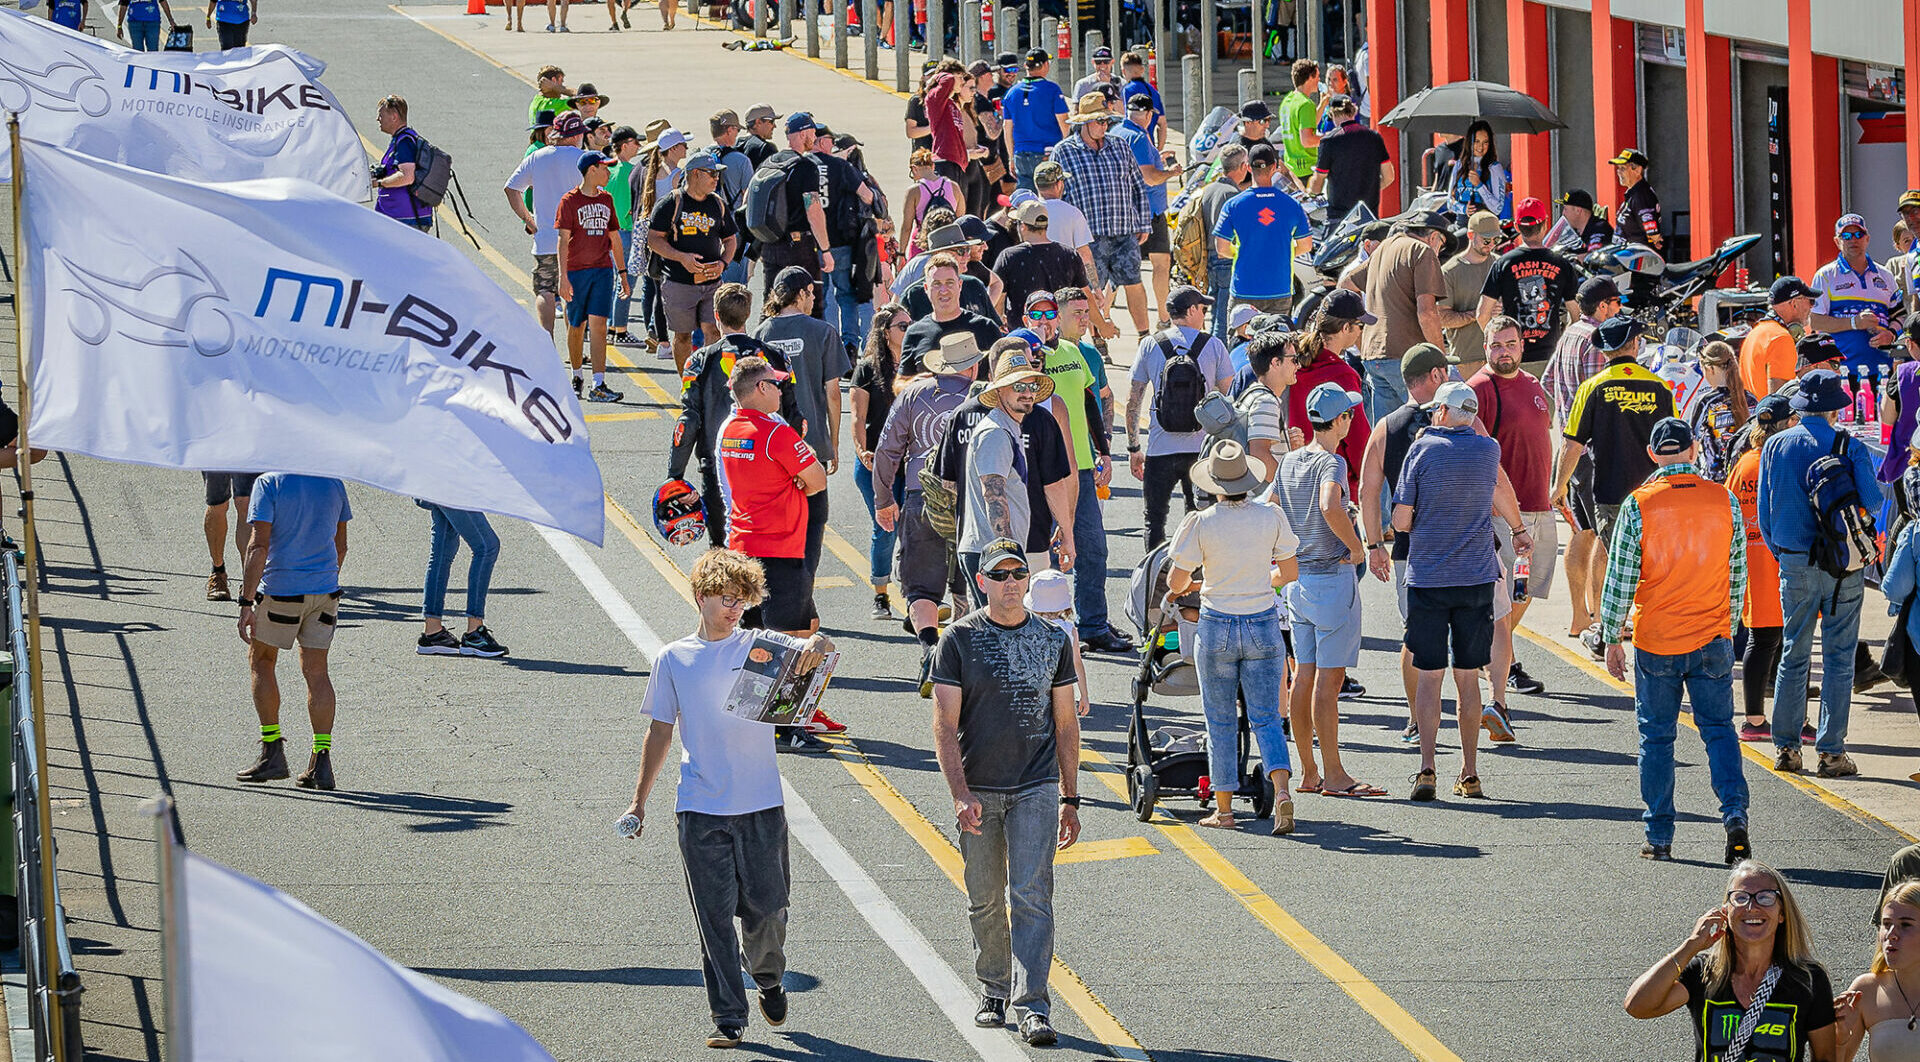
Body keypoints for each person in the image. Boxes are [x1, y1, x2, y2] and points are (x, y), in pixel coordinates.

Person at [623, 548, 834, 1050]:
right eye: (725, 598)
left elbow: (816, 647)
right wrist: (639, 801)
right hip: (700, 808)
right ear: (700, 597)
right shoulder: (674, 658)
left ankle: (768, 977)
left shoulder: (761, 645)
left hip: (760, 804)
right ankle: (728, 1017)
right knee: (713, 918)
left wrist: (820, 642)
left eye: (742, 600)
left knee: (767, 909)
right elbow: (659, 731)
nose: (734, 608)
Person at [931, 536, 1079, 1047]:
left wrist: (1071, 797)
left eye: (1018, 574)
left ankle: (1032, 1004)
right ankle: (993, 988)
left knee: (1032, 897)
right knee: (985, 897)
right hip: (978, 789)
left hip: (1036, 787)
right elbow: (945, 726)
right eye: (1000, 575)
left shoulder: (1053, 640)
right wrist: (959, 792)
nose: (1011, 583)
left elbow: (1065, 725)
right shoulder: (958, 640)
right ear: (982, 582)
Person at [1596, 418, 1749, 861]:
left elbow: (1620, 580)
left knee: (1656, 738)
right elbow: (1735, 570)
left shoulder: (1640, 504)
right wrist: (1730, 625)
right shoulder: (1722, 500)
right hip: (1711, 635)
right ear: (1694, 448)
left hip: (1658, 639)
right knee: (1719, 731)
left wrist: (1611, 635)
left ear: (1651, 454)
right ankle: (1734, 816)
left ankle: (1659, 836)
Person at [1394, 382, 1523, 800]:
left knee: (1430, 678)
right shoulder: (1488, 451)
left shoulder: (1422, 450)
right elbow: (1496, 490)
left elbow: (1400, 520)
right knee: (1468, 680)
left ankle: (1427, 768)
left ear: (1445, 412)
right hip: (1476, 578)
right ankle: (1469, 773)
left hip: (1429, 577)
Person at [1166, 442, 1300, 833]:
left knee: (1220, 719)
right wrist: (1263, 580)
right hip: (1261, 621)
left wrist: (1196, 581)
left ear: (1215, 484)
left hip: (1217, 622)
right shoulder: (1270, 515)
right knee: (1267, 717)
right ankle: (1283, 792)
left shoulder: (1201, 522)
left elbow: (1176, 581)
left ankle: (1223, 811)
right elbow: (1288, 573)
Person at [1757, 368, 1876, 779]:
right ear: (1834, 408)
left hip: (1794, 561)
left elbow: (1764, 514)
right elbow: (1875, 502)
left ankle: (1787, 748)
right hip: (1842, 565)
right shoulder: (1850, 445)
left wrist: (1783, 553)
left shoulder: (1775, 445)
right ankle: (1831, 752)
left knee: (1793, 653)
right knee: (1840, 659)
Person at [717, 358, 832, 757]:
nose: (782, 391)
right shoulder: (774, 433)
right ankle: (788, 726)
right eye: (776, 384)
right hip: (782, 549)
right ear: (761, 389)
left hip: (744, 548)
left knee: (751, 639)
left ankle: (746, 716)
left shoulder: (730, 429)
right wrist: (797, 477)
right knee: (793, 642)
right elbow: (816, 480)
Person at [1269, 383, 1378, 796]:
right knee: (1328, 682)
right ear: (1341, 420)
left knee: (1304, 677)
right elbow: (1330, 505)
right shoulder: (1330, 463)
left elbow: (1272, 504)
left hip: (1298, 582)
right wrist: (1356, 547)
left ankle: (1309, 771)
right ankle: (1334, 775)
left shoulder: (1291, 460)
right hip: (1331, 579)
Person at [1624, 860, 1837, 1062]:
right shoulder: (1704, 972)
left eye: (1765, 897)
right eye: (1741, 897)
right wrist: (1692, 945)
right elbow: (1637, 1006)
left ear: (1782, 913)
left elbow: (1825, 1057)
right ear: (1725, 911)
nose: (1752, 907)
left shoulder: (1808, 979)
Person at [1552, 316, 1675, 657]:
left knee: (1615, 562)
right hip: (1655, 495)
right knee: (1655, 565)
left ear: (1604, 351)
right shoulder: (1660, 387)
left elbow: (1572, 444)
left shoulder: (1592, 388)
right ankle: (1655, 628)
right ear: (1636, 346)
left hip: (1609, 493)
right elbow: (1675, 444)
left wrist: (1558, 486)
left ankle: (1608, 633)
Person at [875, 333, 988, 694]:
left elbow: (887, 449)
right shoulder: (984, 397)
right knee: (969, 581)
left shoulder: (913, 395)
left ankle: (929, 647)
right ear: (972, 365)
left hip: (922, 493)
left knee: (921, 583)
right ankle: (960, 660)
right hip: (974, 497)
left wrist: (882, 499)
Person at [234, 473, 351, 792]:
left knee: (261, 661)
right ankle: (321, 760)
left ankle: (273, 751)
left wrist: (246, 601)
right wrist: (322, 578)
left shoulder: (269, 484)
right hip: (325, 592)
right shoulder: (333, 483)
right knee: (317, 672)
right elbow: (340, 546)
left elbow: (258, 545)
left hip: (282, 592)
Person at [668, 284, 799, 550]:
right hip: (772, 467)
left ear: (716, 315)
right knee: (770, 548)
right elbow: (795, 417)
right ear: (748, 314)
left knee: (724, 548)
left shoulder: (698, 361)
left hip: (720, 468)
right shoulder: (777, 357)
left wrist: (675, 476)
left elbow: (688, 421)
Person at [754, 268, 849, 632]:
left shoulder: (763, 332)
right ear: (804, 293)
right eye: (811, 293)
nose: (813, 299)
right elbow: (832, 392)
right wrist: (833, 443)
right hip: (811, 450)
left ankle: (785, 602)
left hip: (772, 448)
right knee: (811, 529)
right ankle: (800, 602)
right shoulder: (823, 332)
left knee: (781, 529)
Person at [1470, 317, 1557, 697]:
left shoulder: (1534, 385)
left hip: (1540, 504)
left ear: (1522, 345)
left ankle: (1493, 654)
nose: (1503, 351)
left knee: (1527, 592)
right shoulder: (1480, 389)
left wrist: (1559, 493)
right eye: (1496, 345)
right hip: (1504, 514)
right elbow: (1475, 454)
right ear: (1485, 347)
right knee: (1506, 594)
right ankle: (1498, 663)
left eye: (1510, 343)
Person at [1125, 287, 1235, 549]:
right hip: (1201, 450)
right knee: (1199, 518)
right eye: (1203, 308)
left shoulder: (1150, 344)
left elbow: (1133, 400)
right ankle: (1194, 580)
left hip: (1160, 448)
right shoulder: (1214, 345)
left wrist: (1133, 447)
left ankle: (1153, 580)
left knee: (1154, 521)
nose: (1205, 313)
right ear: (1192, 311)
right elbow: (1229, 398)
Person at [1049, 93, 1154, 337]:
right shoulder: (1063, 152)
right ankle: (1098, 339)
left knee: (1134, 283)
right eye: (1099, 121)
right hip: (1087, 237)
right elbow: (1056, 197)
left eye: (1106, 121)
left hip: (1123, 230)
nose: (1104, 126)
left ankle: (1144, 336)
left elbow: (1138, 185)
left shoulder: (1119, 146)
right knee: (1091, 289)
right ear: (1084, 122)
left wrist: (1143, 223)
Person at [955, 351, 1055, 596]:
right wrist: (1009, 558)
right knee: (998, 632)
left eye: (1031, 385)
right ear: (999, 390)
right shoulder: (996, 434)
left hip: (993, 554)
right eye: (1018, 386)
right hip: (992, 556)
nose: (1028, 393)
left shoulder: (1008, 427)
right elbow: (994, 496)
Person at [1730, 397, 1793, 743]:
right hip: (1777, 560)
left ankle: (1761, 717)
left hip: (1751, 559)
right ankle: (1770, 719)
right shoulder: (1780, 459)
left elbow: (1730, 504)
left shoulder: (1745, 463)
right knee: (1776, 640)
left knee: (1765, 637)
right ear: (1786, 424)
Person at [1356, 210, 1459, 420]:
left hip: (1373, 356)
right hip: (1408, 358)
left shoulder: (1383, 248)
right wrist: (1439, 358)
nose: (1439, 252)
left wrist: (1362, 332)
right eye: (1441, 245)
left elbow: (1345, 285)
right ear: (1433, 237)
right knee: (1428, 424)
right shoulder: (1423, 251)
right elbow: (1427, 312)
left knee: (1389, 433)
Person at [646, 154, 737, 372]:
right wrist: (681, 258)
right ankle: (687, 383)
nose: (717, 179)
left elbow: (731, 239)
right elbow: (653, 239)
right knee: (683, 336)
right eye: (712, 173)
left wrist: (723, 263)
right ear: (695, 174)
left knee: (714, 332)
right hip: (679, 283)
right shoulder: (671, 202)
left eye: (718, 174)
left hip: (712, 282)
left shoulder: (718, 204)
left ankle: (710, 383)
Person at [504, 109, 589, 338]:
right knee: (572, 293)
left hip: (546, 239)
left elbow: (511, 189)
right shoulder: (583, 159)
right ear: (575, 136)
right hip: (578, 241)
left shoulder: (537, 157)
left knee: (545, 289)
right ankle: (575, 349)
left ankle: (546, 342)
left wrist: (529, 219)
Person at [556, 151, 629, 404]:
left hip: (602, 271)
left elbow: (615, 238)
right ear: (591, 170)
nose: (609, 172)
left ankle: (599, 383)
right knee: (577, 326)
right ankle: (577, 376)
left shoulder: (607, 199)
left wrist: (622, 273)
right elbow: (563, 241)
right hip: (577, 272)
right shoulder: (569, 201)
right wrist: (563, 277)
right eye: (604, 168)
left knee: (599, 326)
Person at [851, 306, 910, 619]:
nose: (908, 329)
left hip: (910, 462)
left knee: (913, 527)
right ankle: (881, 596)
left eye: (910, 324)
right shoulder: (867, 369)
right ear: (886, 333)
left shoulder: (916, 365)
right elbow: (859, 417)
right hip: (875, 464)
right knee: (885, 527)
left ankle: (917, 593)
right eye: (902, 325)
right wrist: (861, 450)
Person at [1287, 293, 1375, 498]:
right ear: (1346, 328)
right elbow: (1357, 437)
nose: (1361, 331)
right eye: (1359, 326)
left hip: (1294, 471)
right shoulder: (1343, 375)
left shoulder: (1295, 359)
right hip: (1332, 481)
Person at [1477, 197, 1581, 365]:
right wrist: (1562, 345)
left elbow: (1482, 315)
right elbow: (1576, 315)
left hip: (1513, 361)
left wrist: (1499, 345)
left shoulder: (1503, 264)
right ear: (1546, 224)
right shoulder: (1562, 264)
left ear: (1517, 227)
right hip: (1550, 358)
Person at [1213, 143, 1312, 317]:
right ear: (1274, 167)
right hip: (1280, 289)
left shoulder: (1233, 205)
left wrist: (1242, 253)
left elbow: (1221, 248)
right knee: (1276, 341)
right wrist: (1283, 253)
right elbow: (1306, 245)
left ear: (1248, 167)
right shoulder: (1292, 205)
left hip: (1244, 288)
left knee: (1240, 342)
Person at [1113, 94, 1184, 328]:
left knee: (1114, 271)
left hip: (1121, 211)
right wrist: (1171, 173)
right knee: (1161, 264)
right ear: (1149, 114)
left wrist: (1158, 159)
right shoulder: (1139, 138)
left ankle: (1101, 320)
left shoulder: (1117, 132)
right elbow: (1149, 177)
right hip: (1148, 212)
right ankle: (1164, 318)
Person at [1834, 881, 1920, 1061]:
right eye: (1886, 924)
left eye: (1905, 925)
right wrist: (1839, 1039)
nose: (1891, 934)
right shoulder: (1866, 990)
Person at [413, 496, 507, 659]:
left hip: (431, 483)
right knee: (487, 547)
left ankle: (433, 631)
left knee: (442, 552)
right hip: (449, 485)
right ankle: (474, 631)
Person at [759, 114, 837, 307]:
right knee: (810, 305)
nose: (814, 138)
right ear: (803, 134)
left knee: (772, 304)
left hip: (770, 244)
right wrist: (825, 249)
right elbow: (814, 210)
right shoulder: (806, 166)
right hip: (799, 248)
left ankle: (766, 337)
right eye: (812, 133)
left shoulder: (770, 162)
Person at [1810, 213, 1901, 373]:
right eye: (1846, 235)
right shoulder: (1825, 275)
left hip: (1883, 369)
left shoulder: (1885, 275)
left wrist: (1891, 334)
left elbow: (1900, 315)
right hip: (1842, 372)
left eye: (1859, 234)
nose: (1853, 240)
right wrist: (1853, 323)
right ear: (1837, 242)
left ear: (1867, 239)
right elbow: (1815, 321)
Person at [901, 253, 1004, 374]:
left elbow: (1004, 377)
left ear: (959, 285)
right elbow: (900, 383)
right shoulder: (914, 333)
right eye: (936, 284)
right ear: (926, 288)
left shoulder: (986, 328)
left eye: (949, 283)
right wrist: (918, 383)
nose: (943, 291)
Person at [992, 201, 1089, 321]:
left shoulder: (1008, 257)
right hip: (1059, 332)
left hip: (1023, 333)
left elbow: (998, 299)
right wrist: (1102, 325)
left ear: (1023, 226)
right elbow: (1085, 296)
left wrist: (999, 324)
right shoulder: (1070, 255)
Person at [1308, 95, 1391, 231]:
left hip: (1340, 219)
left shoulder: (1329, 141)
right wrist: (1370, 189)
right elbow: (1389, 177)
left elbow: (1318, 181)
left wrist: (1311, 193)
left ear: (1332, 114)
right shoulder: (1374, 137)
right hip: (1369, 217)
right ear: (1353, 111)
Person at [1194, 145, 1252, 337]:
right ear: (1243, 166)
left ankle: (1211, 354)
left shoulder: (1209, 190)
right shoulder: (1232, 196)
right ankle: (1219, 359)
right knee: (1224, 318)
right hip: (1226, 259)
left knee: (1215, 313)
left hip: (1210, 259)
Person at [1440, 212, 1502, 376]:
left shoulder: (1500, 265)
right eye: (1486, 240)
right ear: (1470, 235)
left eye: (1496, 240)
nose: (1491, 245)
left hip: (1501, 357)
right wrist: (1480, 313)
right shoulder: (1450, 272)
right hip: (1466, 361)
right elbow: (1443, 318)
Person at [1001, 50, 1071, 191]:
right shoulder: (1052, 89)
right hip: (1047, 153)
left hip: (1021, 153)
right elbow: (1064, 123)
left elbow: (1007, 127)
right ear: (1045, 65)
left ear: (1026, 66)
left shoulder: (1012, 92)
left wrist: (1011, 157)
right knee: (1051, 196)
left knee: (1027, 199)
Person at [1742, 276, 1818, 399]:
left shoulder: (1755, 332)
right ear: (1794, 303)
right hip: (1770, 417)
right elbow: (1780, 401)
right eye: (1811, 301)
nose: (1812, 307)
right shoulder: (1781, 338)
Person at [1689, 340, 1753, 483]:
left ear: (1710, 368)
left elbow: (1691, 450)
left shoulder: (1706, 402)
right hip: (1745, 478)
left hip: (1716, 482)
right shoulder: (1751, 399)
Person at [202, 472, 257, 602]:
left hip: (245, 452)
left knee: (246, 503)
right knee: (217, 504)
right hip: (215, 452)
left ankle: (249, 580)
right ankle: (217, 571)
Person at [1444, 120, 1510, 221]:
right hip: (1462, 223)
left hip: (1485, 226)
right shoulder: (1459, 165)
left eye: (1485, 142)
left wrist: (1479, 185)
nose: (1480, 147)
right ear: (1469, 142)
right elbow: (1449, 202)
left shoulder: (1495, 167)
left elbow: (1498, 209)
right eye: (1476, 141)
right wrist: (1464, 209)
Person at [1275, 59, 1324, 187]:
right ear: (1310, 78)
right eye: (1317, 76)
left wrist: (1324, 102)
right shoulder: (1306, 104)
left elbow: (1309, 125)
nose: (1319, 80)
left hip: (1291, 167)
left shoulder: (1287, 101)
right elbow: (1307, 140)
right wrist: (1331, 137)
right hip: (1307, 169)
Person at [1609, 148, 1664, 252]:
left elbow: (1654, 236)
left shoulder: (1641, 195)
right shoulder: (1634, 193)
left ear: (1638, 170)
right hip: (1626, 257)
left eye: (1623, 168)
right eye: (1618, 168)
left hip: (1638, 260)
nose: (1618, 172)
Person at [1116, 51, 1165, 148]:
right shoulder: (1153, 91)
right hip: (1150, 145)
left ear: (1123, 71)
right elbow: (1162, 124)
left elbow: (1128, 119)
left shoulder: (1127, 90)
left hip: (1133, 143)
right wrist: (1159, 149)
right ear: (1142, 70)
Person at [738, 104, 781, 168]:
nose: (774, 126)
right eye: (771, 121)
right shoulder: (766, 148)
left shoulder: (735, 144)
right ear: (758, 122)